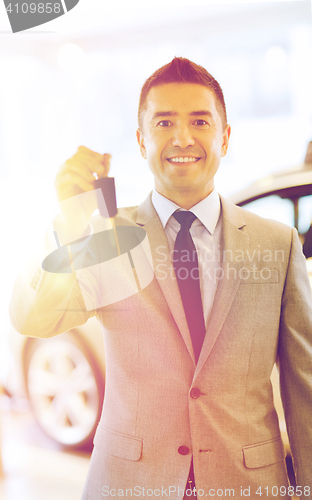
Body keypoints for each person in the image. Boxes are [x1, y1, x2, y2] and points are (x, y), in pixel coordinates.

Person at [10, 58, 312, 499]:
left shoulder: (277, 245)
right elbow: (30, 318)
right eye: (164, 122)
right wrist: (67, 221)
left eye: (200, 121)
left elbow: (304, 391)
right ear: (141, 140)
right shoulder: (106, 235)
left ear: (224, 138)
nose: (182, 138)